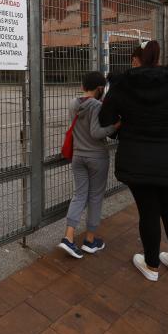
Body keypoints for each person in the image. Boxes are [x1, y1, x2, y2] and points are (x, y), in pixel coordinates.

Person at [99, 40, 168, 281]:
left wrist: (123, 131)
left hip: (137, 160)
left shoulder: (123, 83)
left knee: (148, 213)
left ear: (138, 59)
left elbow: (105, 117)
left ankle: (151, 266)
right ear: (157, 59)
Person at [58, 71, 121, 259]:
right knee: (95, 197)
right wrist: (115, 127)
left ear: (82, 86)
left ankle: (68, 237)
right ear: (100, 88)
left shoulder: (73, 103)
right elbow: (96, 132)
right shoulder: (96, 105)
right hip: (96, 158)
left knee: (79, 195)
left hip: (78, 156)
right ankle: (90, 241)